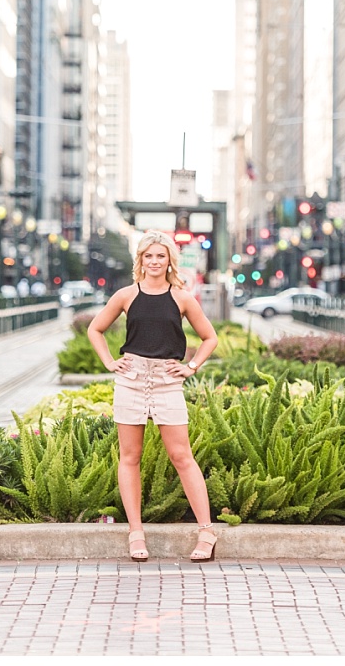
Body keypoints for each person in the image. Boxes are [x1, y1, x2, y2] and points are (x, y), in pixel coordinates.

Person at [86, 230, 219, 563]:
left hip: (167, 381)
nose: (155, 261)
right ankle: (135, 533)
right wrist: (109, 362)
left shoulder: (182, 298)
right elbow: (95, 329)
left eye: (161, 256)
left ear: (169, 260)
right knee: (129, 457)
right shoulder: (126, 295)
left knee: (181, 456)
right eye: (149, 256)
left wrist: (191, 367)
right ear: (140, 260)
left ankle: (207, 531)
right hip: (130, 380)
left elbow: (209, 338)